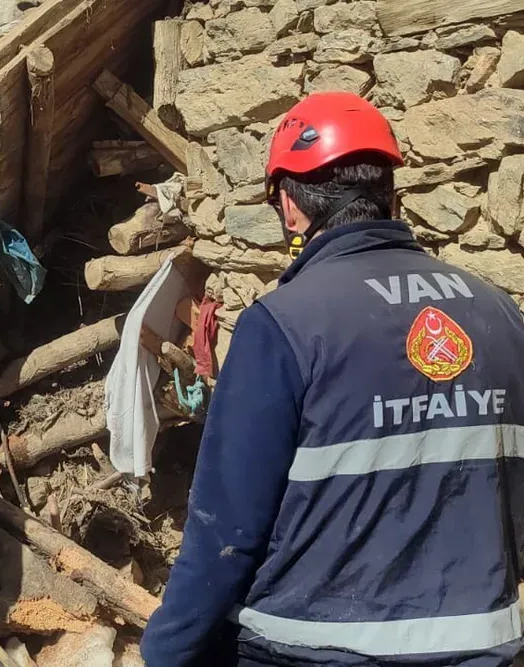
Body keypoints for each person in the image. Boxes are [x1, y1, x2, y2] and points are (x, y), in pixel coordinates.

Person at [140, 92, 524, 665]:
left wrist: (167, 648)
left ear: (289, 207)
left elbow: (227, 530)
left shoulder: (283, 325)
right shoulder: (498, 313)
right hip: (480, 646)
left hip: (312, 649)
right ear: (391, 195)